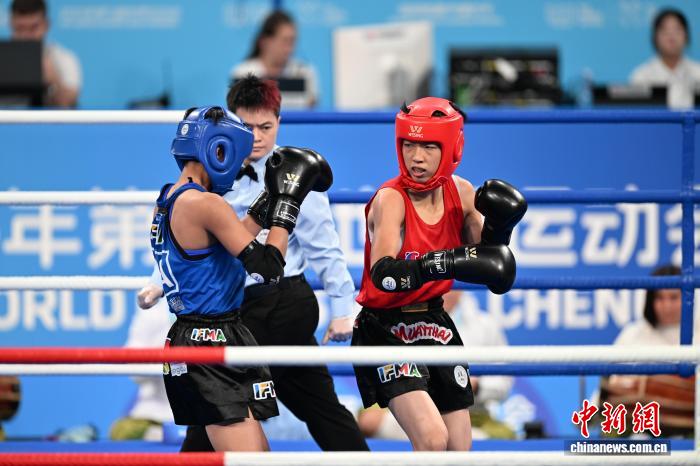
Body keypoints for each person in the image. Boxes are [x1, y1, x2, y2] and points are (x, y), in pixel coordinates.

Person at [137, 75, 368, 451]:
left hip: (261, 313)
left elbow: (221, 246)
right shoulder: (209, 201)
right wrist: (285, 203)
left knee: (251, 432)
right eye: (246, 130)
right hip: (220, 325)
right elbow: (264, 264)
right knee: (221, 435)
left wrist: (343, 308)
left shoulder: (169, 196)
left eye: (265, 127)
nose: (256, 139)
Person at [352, 96, 526, 451]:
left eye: (428, 146)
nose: (416, 157)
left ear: (452, 148)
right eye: (409, 145)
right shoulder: (391, 199)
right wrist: (444, 261)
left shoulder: (462, 193)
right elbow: (384, 274)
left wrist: (500, 230)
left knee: (459, 448)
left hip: (435, 322)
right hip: (385, 326)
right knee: (432, 439)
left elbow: (492, 270)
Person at [356, 290, 515, 441]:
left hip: (471, 413)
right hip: (408, 407)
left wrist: (476, 386)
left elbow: (503, 381)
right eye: (436, 282)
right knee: (370, 420)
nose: (444, 290)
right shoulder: (397, 318)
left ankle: (440, 437)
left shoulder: (485, 326)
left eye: (447, 283)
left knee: (497, 436)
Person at [600, 264, 695, 438]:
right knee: (631, 440)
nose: (666, 306)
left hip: (689, 430)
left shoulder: (698, 335)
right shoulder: (632, 334)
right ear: (650, 300)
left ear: (687, 297)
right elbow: (607, 385)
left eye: (673, 297)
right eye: (659, 298)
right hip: (636, 427)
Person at [231, 10, 318, 109]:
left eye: (292, 41)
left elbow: (312, 112)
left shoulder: (305, 73)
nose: (290, 49)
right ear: (265, 41)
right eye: (285, 41)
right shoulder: (242, 73)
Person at [9, 0, 82, 107]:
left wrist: (52, 80)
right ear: (11, 24)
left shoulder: (64, 58)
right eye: (20, 28)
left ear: (46, 25)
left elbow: (68, 104)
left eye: (33, 28)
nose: (26, 36)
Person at [629, 8, 700, 109]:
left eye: (677, 30)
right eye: (665, 31)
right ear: (655, 38)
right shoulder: (642, 76)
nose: (671, 36)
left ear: (686, 36)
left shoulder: (698, 73)